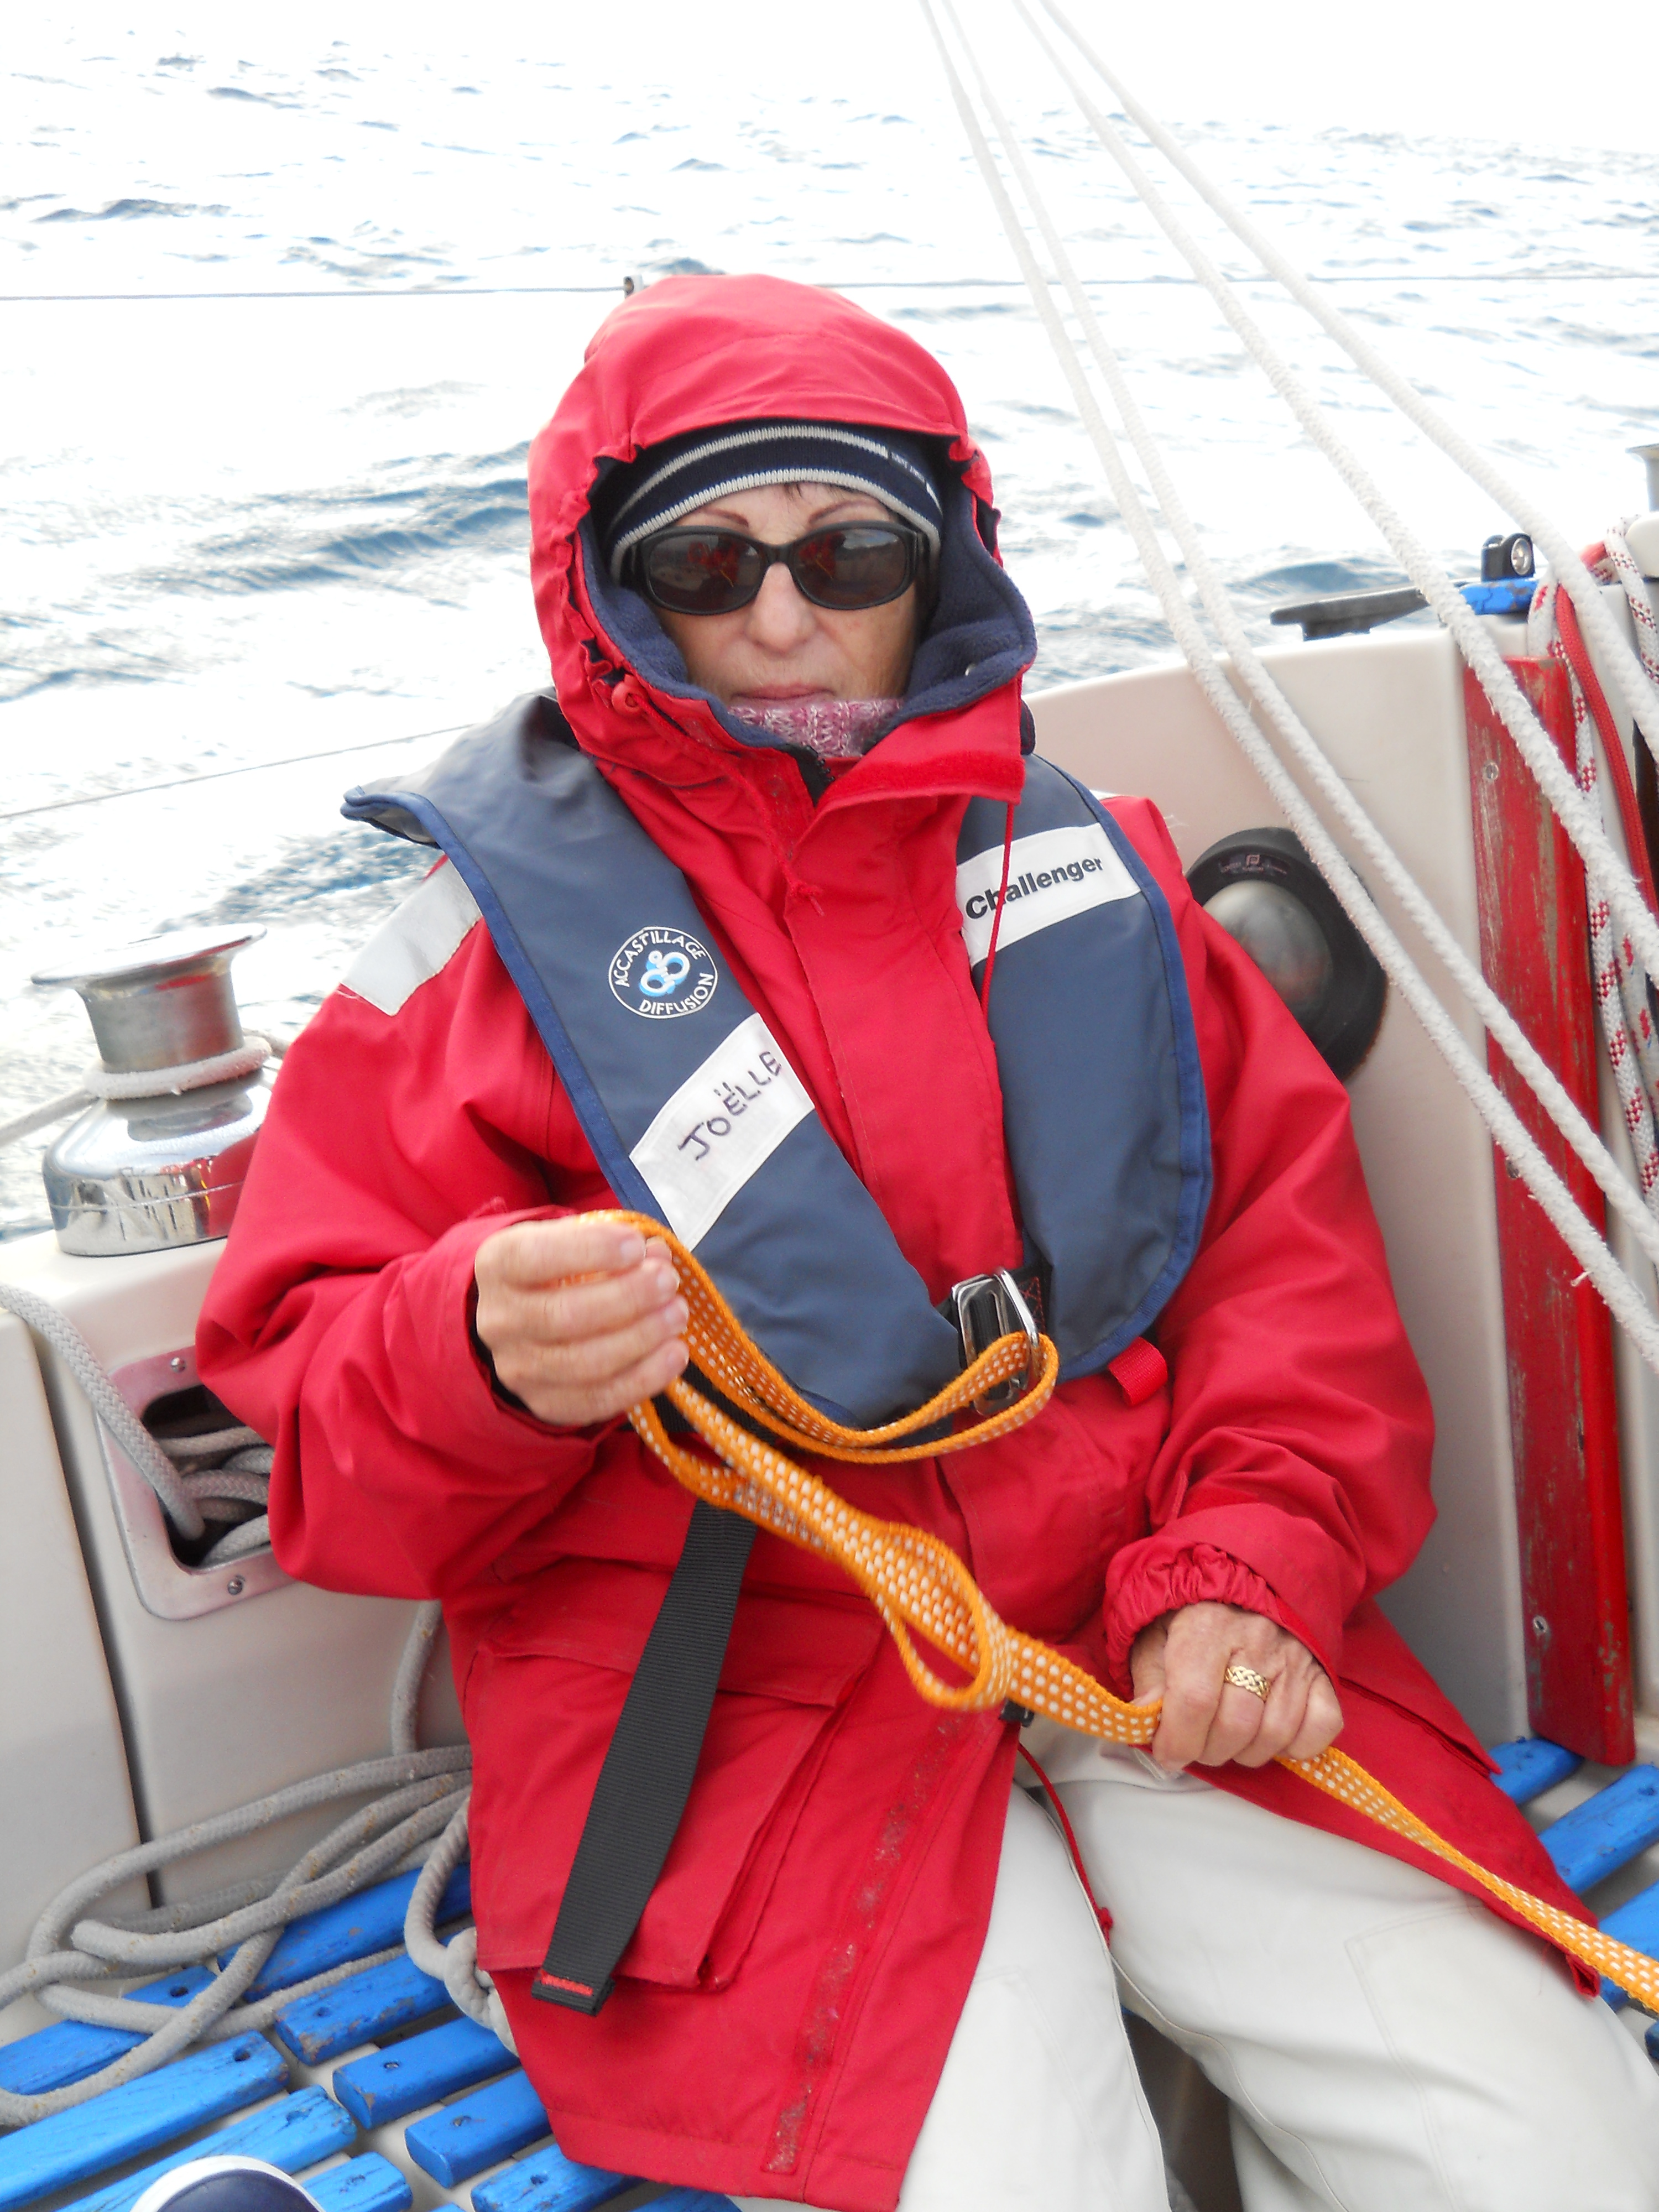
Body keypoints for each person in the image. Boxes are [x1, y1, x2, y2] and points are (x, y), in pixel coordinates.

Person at [198, 274, 1659, 2212]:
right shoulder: (461, 981)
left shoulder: (1105, 884)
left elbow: (1282, 1276)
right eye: (706, 561)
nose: (780, 617)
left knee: (1570, 2160)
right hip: (757, 1739)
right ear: (615, 592)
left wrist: (1251, 1561)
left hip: (1161, 1633)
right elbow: (317, 1435)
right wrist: (472, 1353)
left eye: (850, 552)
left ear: (940, 563)